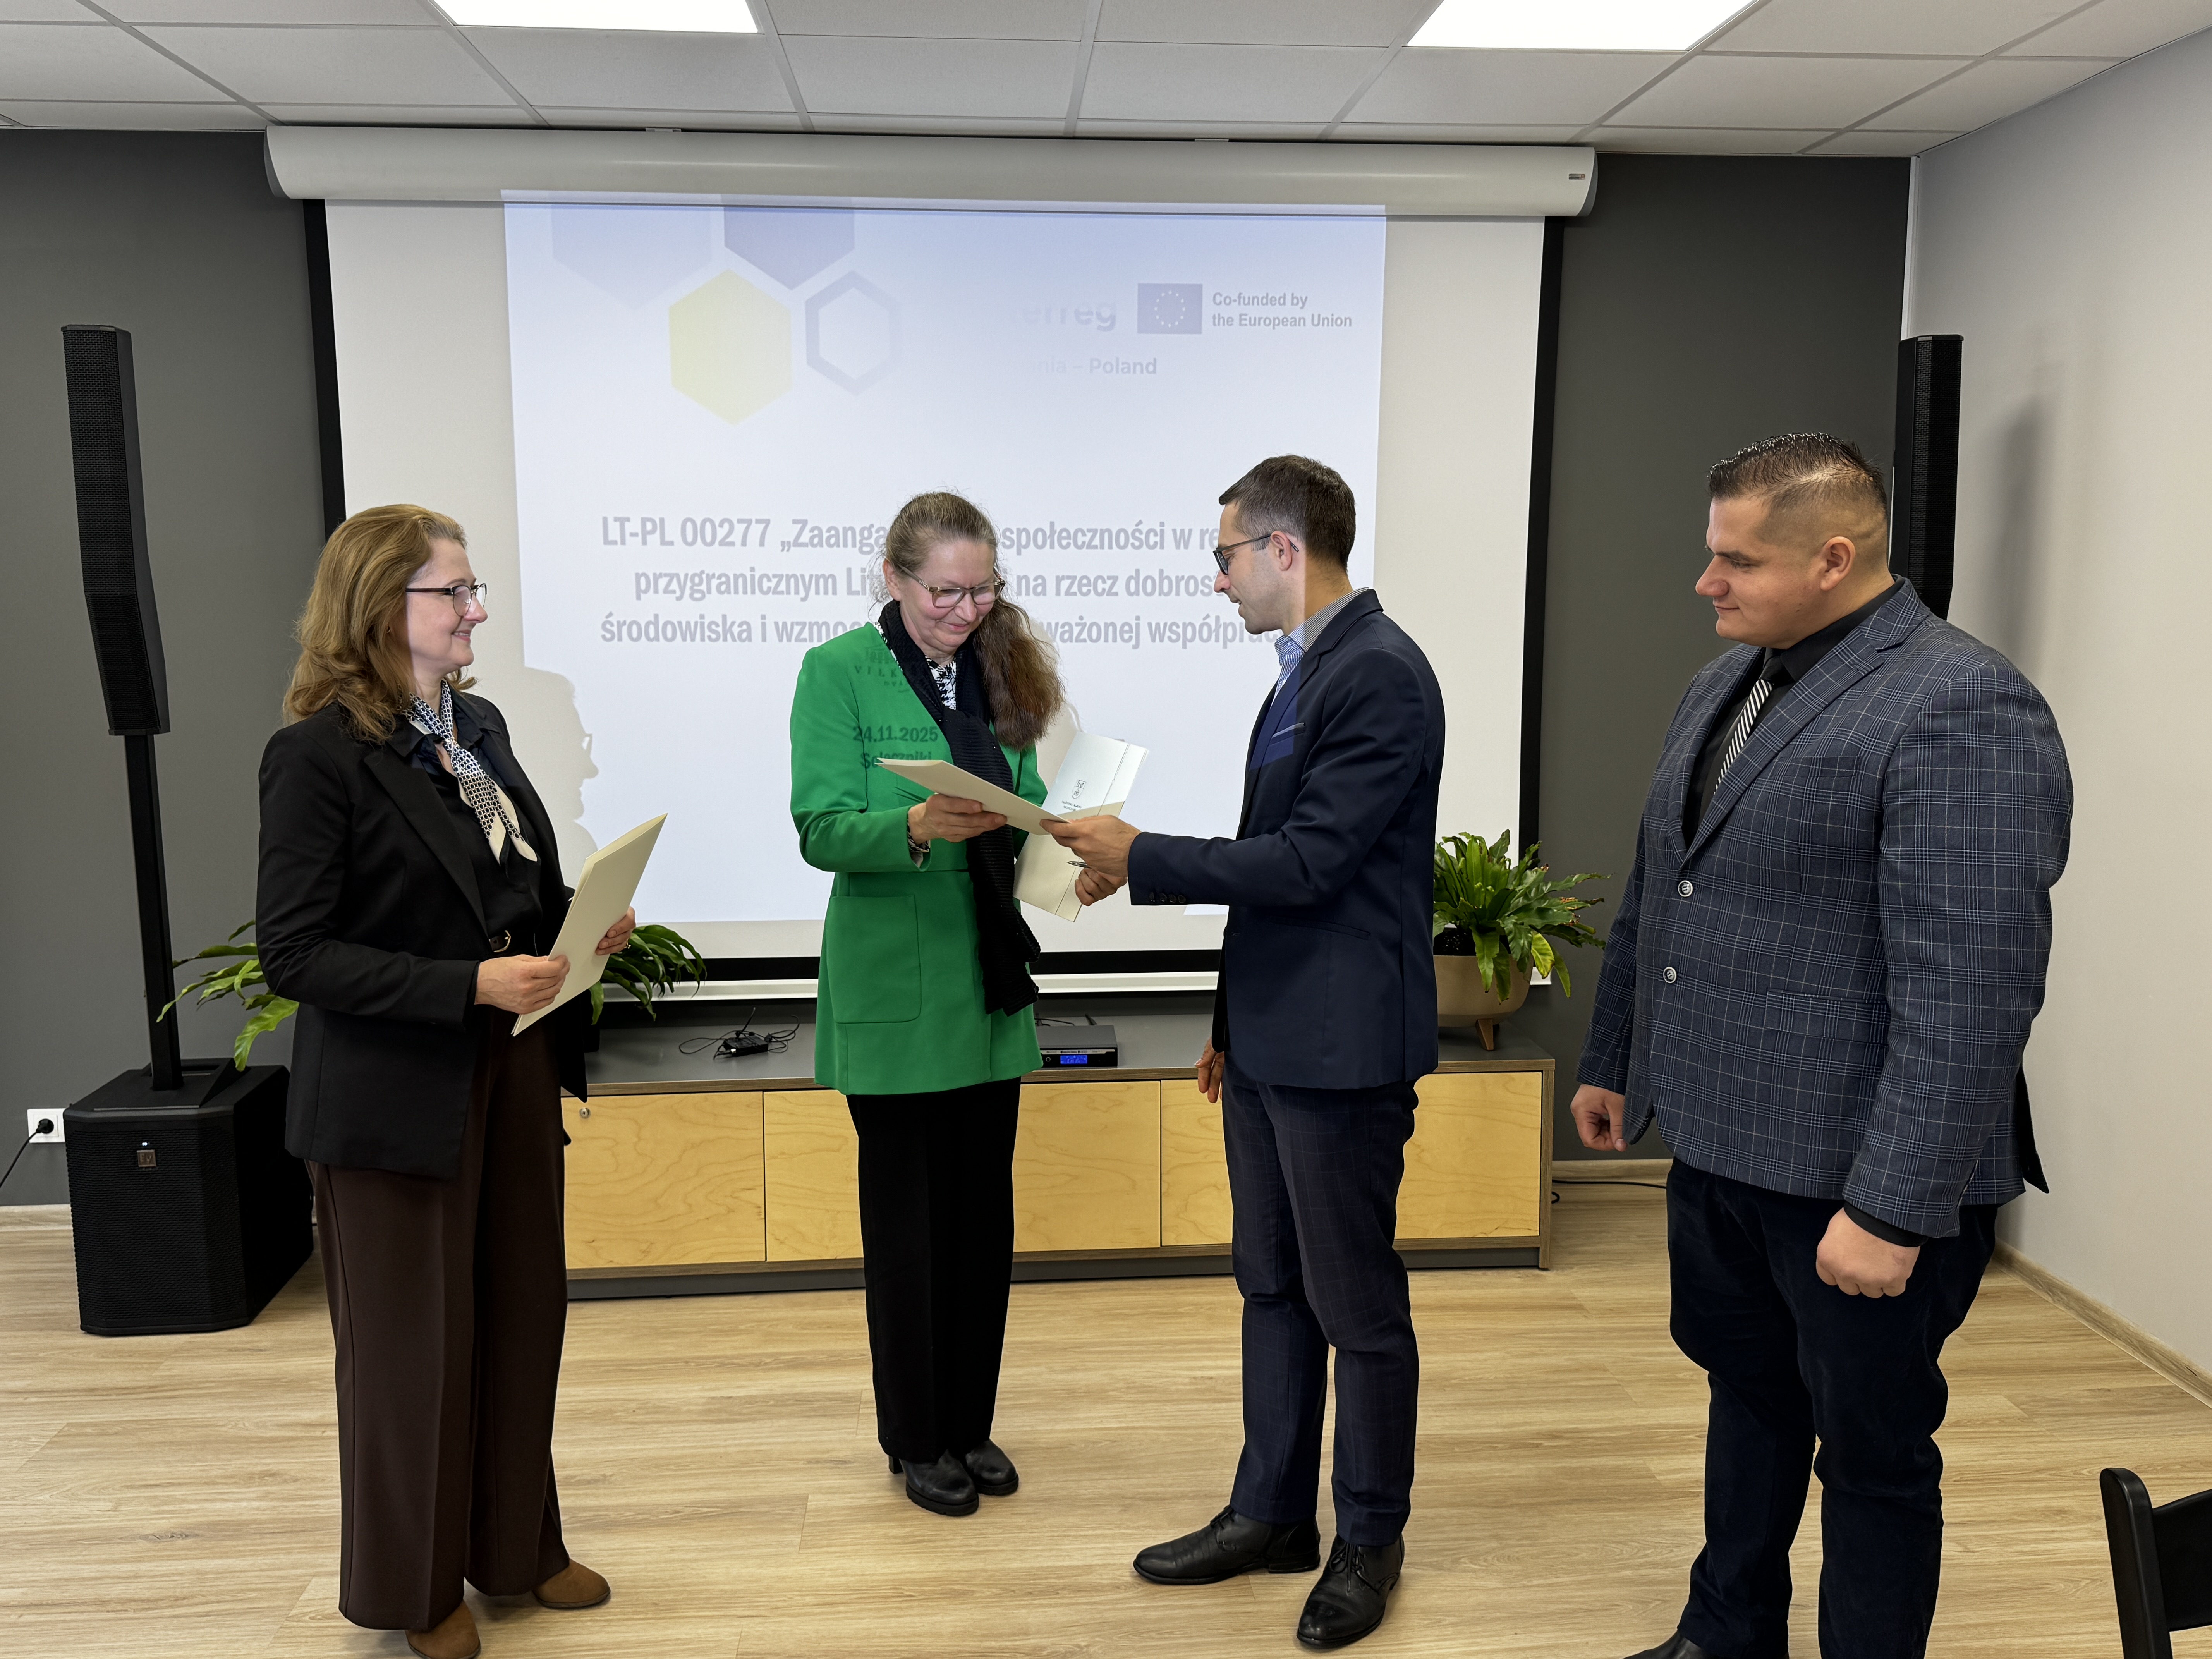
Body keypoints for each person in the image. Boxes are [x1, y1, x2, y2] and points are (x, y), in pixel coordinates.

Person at [1569, 435, 2071, 1659]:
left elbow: (1972, 988)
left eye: (1737, 561)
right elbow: (1666, 883)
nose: (1707, 581)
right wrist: (1617, 1053)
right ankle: (1727, 1632)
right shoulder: (1727, 679)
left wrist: (1893, 1208)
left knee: (1873, 1454)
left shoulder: (1963, 703)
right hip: (1723, 1145)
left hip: (1859, 1180)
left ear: (1835, 558)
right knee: (1747, 1396)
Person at [1047, 455, 1445, 1651]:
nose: (1216, 581)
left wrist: (1141, 853)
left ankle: (1369, 1537)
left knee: (1355, 1303)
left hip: (1343, 1050)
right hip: (1275, 1043)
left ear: (1284, 548)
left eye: (1224, 556)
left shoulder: (1378, 673)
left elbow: (1312, 863)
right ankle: (1271, 1513)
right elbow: (1275, 871)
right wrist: (1229, 1027)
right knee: (1270, 1283)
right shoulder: (1303, 673)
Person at [258, 505, 635, 1659]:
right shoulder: (317, 755)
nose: (476, 610)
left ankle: (518, 1548)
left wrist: (578, 929)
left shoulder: (477, 725)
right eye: (453, 592)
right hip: (391, 1097)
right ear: (382, 605)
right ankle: (414, 1588)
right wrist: (467, 982)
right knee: (410, 1352)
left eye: (473, 590)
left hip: (511, 1067)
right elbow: (296, 954)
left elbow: (509, 884)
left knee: (522, 1312)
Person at [788, 490, 1068, 1519]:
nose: (965, 608)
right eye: (945, 591)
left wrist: (1067, 848)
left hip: (989, 986)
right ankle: (915, 1437)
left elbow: (1027, 805)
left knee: (981, 1223)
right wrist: (914, 824)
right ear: (895, 578)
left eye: (982, 589)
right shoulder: (837, 671)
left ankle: (969, 1423)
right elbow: (820, 827)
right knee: (910, 1229)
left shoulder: (1004, 665)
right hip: (896, 992)